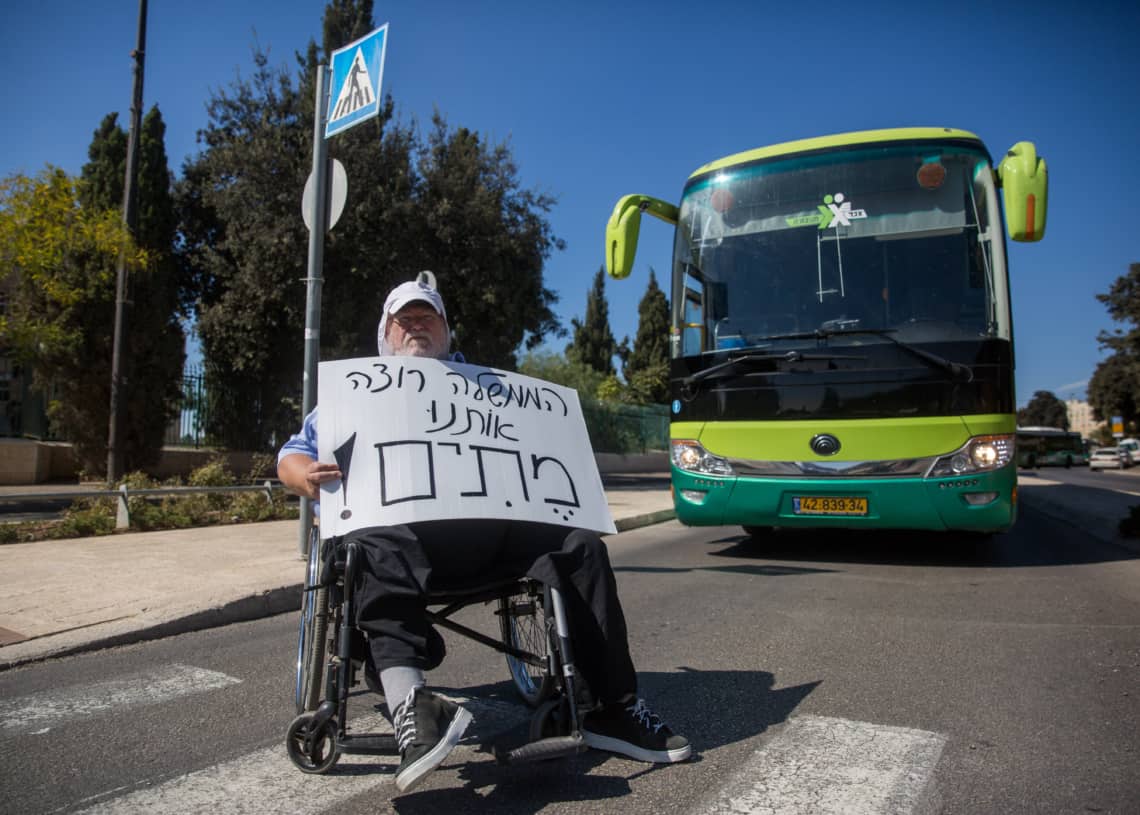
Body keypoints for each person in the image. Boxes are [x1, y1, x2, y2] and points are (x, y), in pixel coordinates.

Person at [278, 277, 690, 792]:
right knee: (371, 540)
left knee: (580, 545)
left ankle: (613, 706)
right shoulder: (357, 393)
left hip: (489, 536)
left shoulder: (490, 390)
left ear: (447, 331)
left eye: (427, 317)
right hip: (397, 541)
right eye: (403, 320)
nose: (416, 327)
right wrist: (302, 475)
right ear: (384, 334)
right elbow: (292, 454)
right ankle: (413, 704)